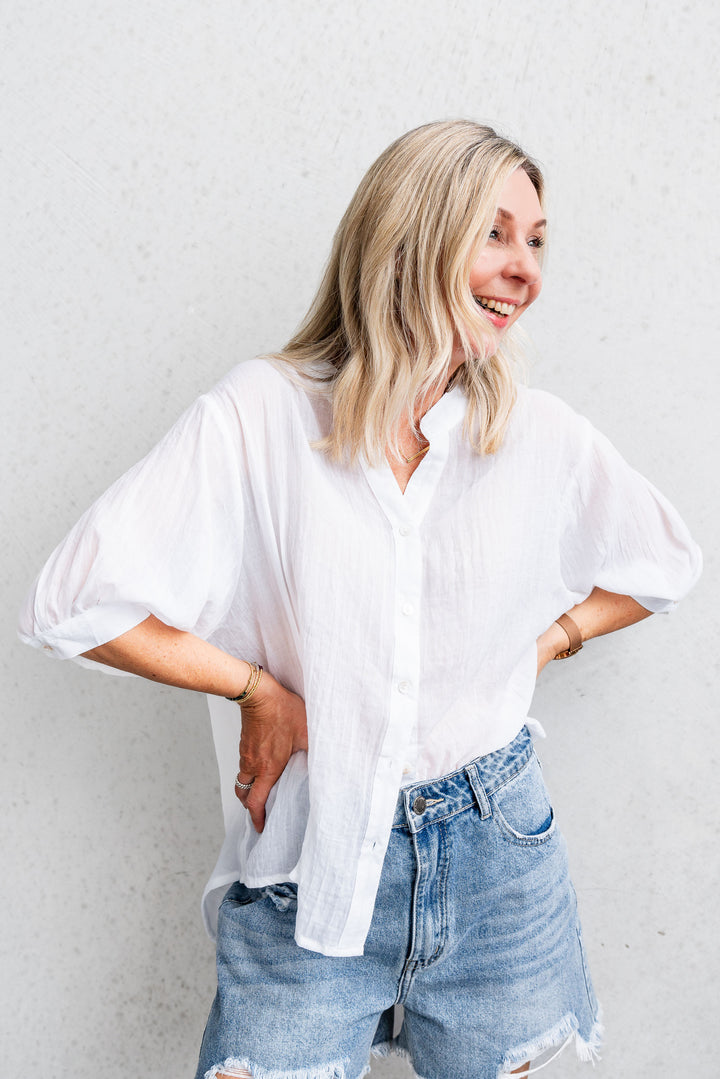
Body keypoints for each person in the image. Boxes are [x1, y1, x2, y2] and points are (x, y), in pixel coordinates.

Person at [19, 120, 701, 1079]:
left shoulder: (535, 434)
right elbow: (74, 599)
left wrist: (547, 640)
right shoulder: (262, 412)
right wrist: (256, 688)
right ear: (414, 233)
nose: (525, 270)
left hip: (500, 855)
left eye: (538, 240)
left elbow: (664, 560)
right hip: (315, 862)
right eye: (496, 233)